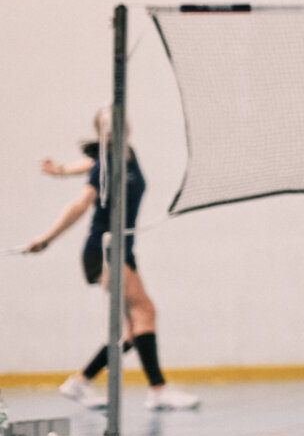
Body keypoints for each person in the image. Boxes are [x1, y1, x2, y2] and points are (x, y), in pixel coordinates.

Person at [28, 111, 200, 411]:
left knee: (132, 331)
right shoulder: (106, 166)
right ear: (102, 132)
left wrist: (62, 170)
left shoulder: (125, 153)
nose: (117, 126)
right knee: (144, 312)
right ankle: (158, 390)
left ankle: (81, 382)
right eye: (108, 124)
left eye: (119, 119)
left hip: (124, 250)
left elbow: (89, 164)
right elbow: (81, 204)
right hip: (105, 249)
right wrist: (47, 238)